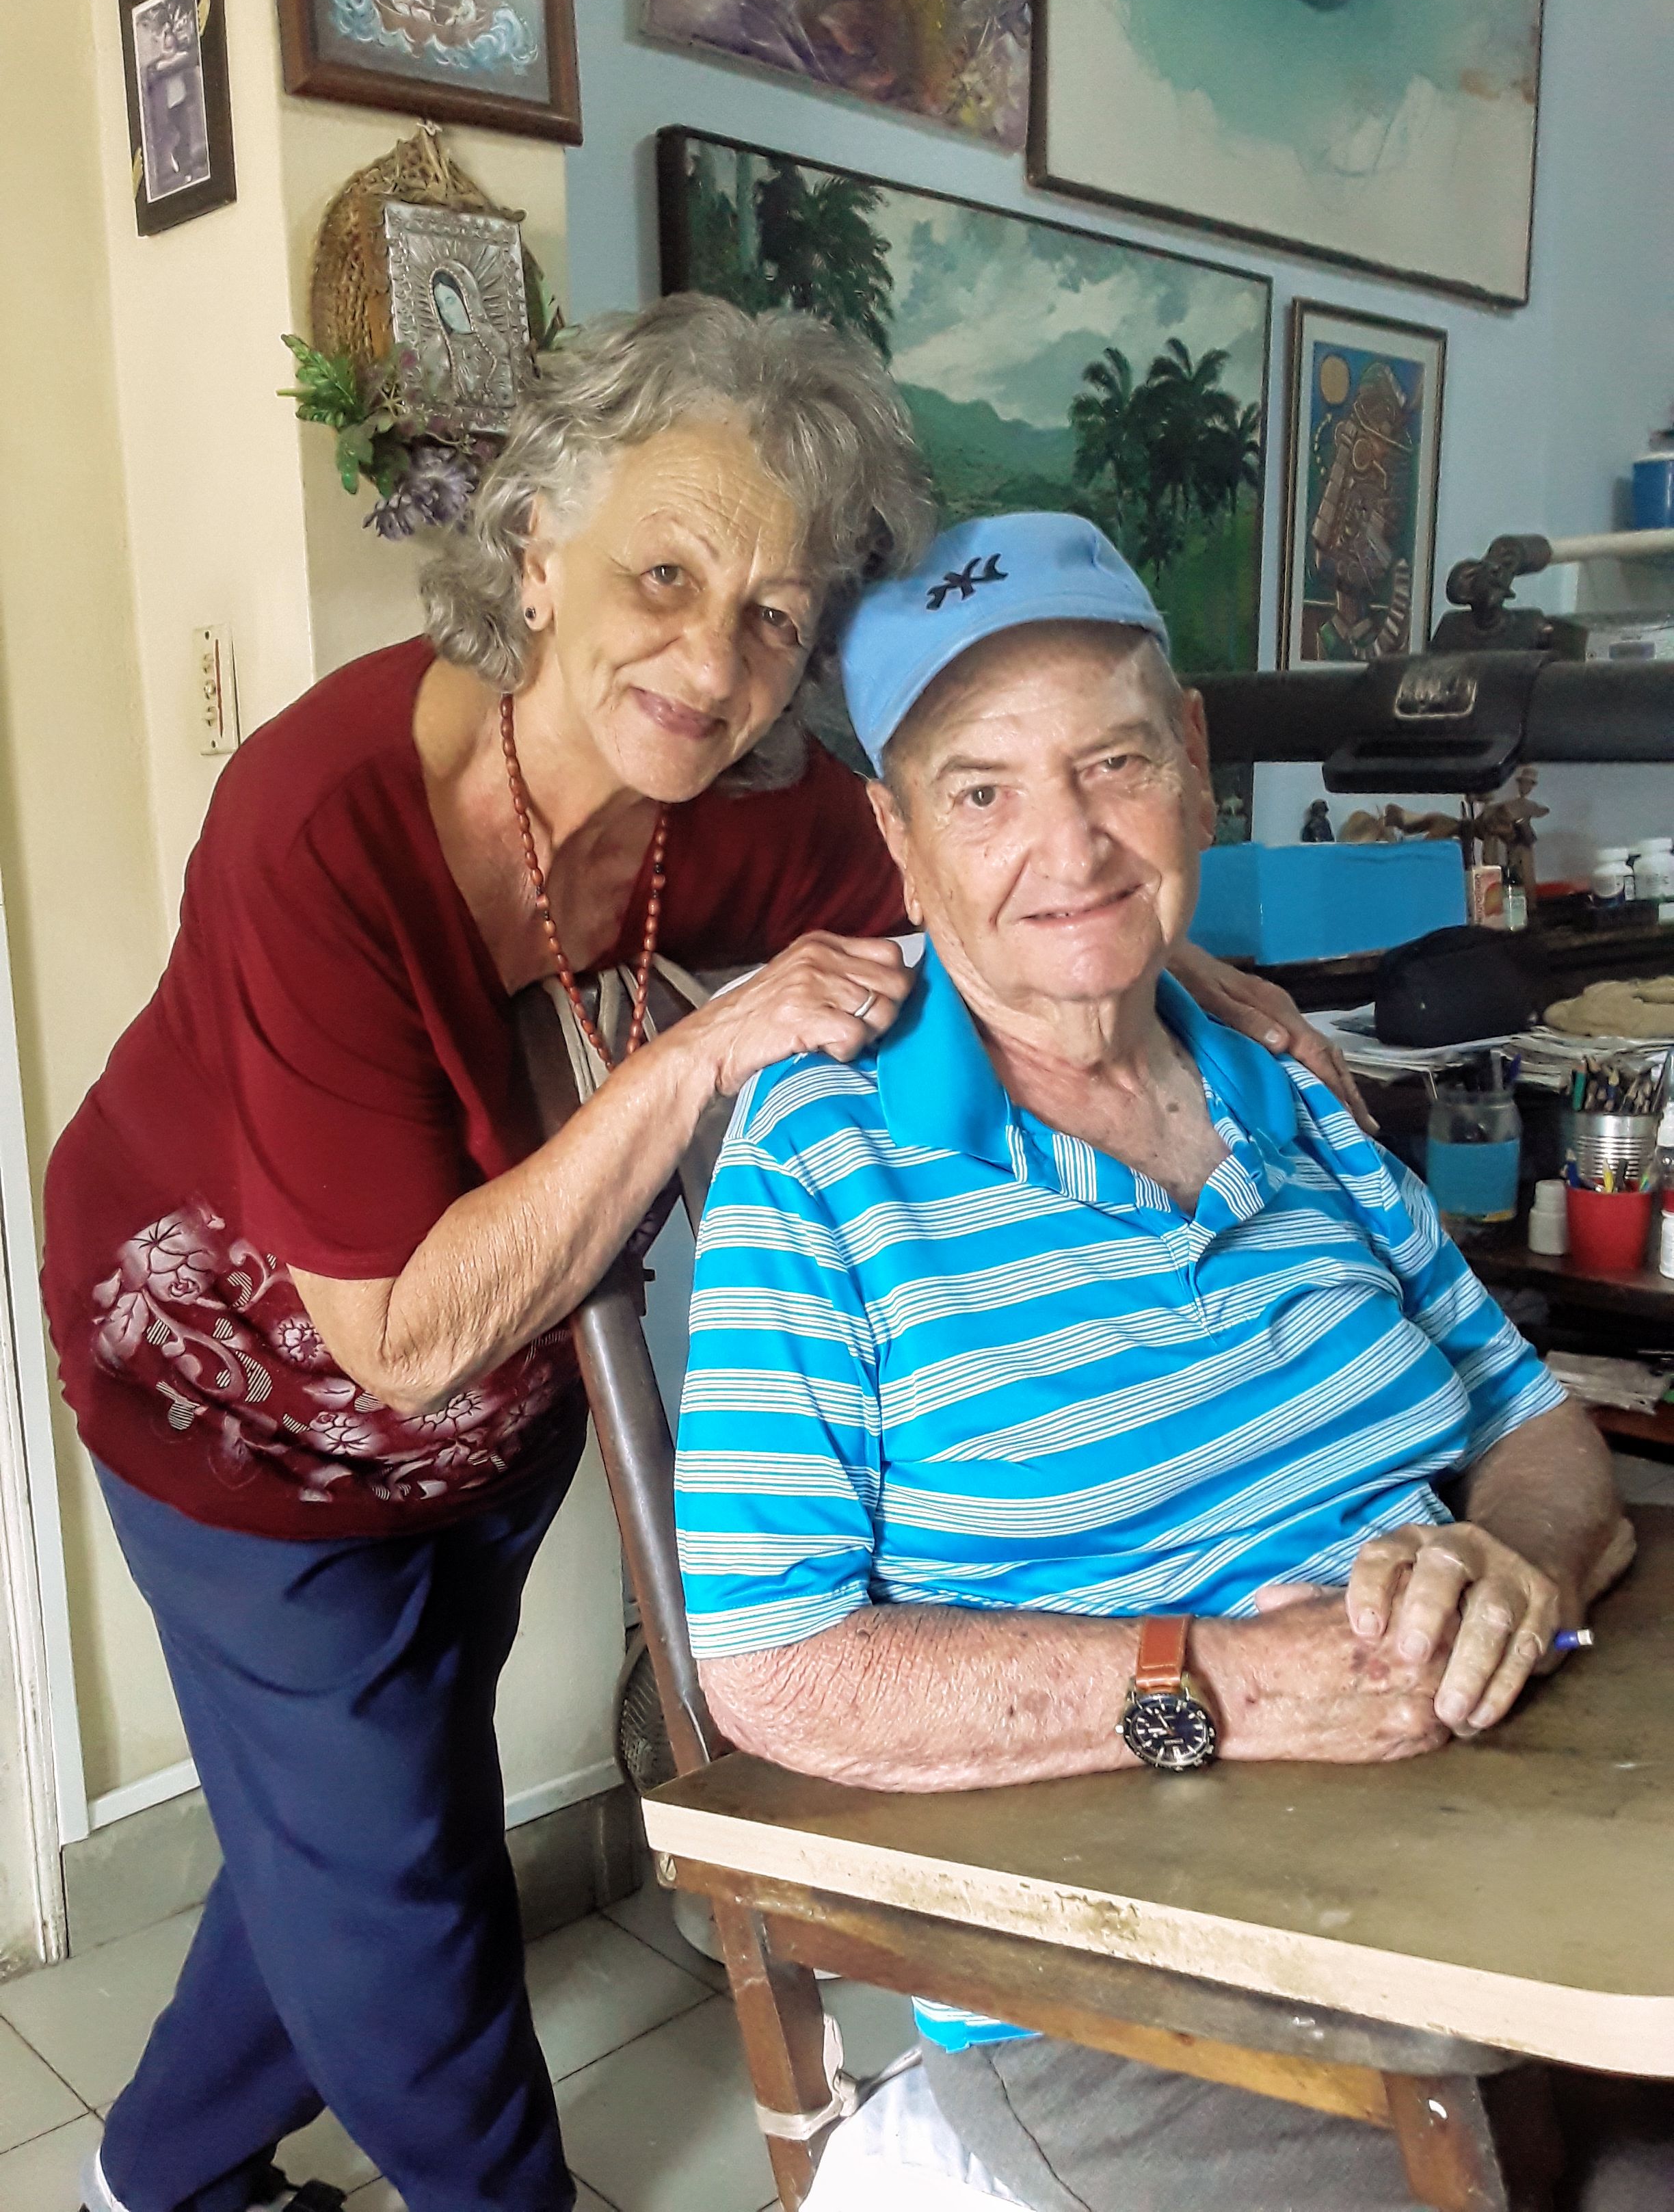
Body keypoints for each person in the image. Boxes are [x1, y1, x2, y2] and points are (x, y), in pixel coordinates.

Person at [42, 303, 1343, 2212]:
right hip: (234, 1405)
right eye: (665, 572)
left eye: (773, 619)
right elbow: (395, 1330)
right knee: (393, 1864)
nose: (710, 657)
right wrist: (702, 1053)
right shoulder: (315, 829)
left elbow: (1007, 879)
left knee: (335, 1838)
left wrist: (1186, 973)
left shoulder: (719, 808)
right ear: (536, 551)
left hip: (495, 1415)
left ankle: (152, 2177)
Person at [674, 512, 1637, 2212]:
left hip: (1510, 1841)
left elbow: (1543, 1424)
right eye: (980, 792)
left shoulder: (1287, 1086)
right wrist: (1242, 1689)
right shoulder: (822, 1160)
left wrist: (1512, 1557)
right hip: (1147, 1982)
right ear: (897, 840)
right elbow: (774, 1666)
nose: (1069, 846)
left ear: (1192, 765)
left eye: (1110, 760)